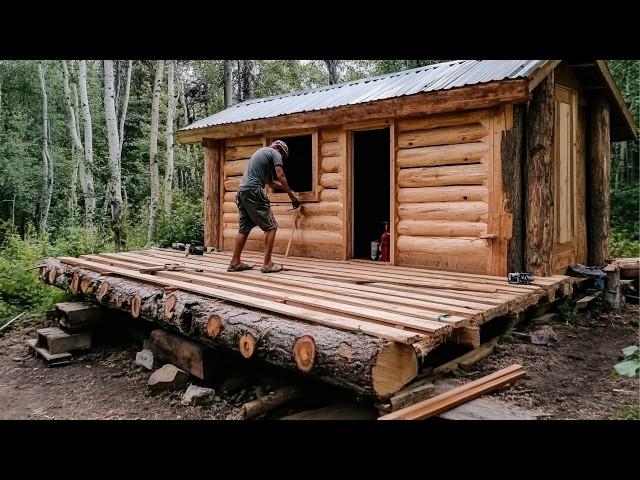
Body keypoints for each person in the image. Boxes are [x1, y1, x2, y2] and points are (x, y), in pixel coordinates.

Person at [227, 139, 300, 273]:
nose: (281, 159)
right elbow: (281, 175)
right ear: (280, 149)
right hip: (254, 191)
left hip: (243, 192)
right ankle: (267, 264)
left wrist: (290, 188)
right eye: (282, 157)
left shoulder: (260, 155)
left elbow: (271, 183)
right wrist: (292, 197)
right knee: (271, 227)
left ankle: (235, 262)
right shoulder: (274, 152)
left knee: (244, 229)